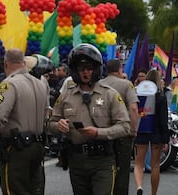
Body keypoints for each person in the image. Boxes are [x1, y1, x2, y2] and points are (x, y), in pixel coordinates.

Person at [48, 43, 131, 195]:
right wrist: (58, 126)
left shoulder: (110, 94)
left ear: (96, 69)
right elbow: (51, 123)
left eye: (89, 68)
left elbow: (125, 126)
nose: (85, 72)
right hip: (76, 161)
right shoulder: (66, 95)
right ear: (75, 70)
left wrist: (99, 133)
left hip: (102, 161)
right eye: (81, 68)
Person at [0, 48, 49, 195]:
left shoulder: (9, 84)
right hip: (38, 144)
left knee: (14, 190)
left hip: (17, 147)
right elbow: (47, 113)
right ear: (24, 63)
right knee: (35, 189)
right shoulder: (41, 84)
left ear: (6, 64)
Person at [99, 59, 139, 195]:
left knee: (103, 170)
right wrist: (133, 130)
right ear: (120, 70)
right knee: (121, 172)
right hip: (122, 134)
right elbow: (133, 109)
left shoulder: (98, 84)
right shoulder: (126, 84)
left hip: (102, 133)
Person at [133, 69, 169, 195]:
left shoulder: (138, 94)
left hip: (142, 130)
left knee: (138, 163)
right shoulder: (161, 96)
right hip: (157, 133)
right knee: (155, 165)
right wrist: (166, 138)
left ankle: (139, 186)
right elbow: (163, 119)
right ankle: (153, 193)